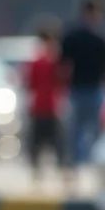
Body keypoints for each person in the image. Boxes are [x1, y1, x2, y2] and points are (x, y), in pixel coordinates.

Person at [59, 0, 105, 169]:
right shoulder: (100, 35)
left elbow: (62, 65)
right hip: (87, 89)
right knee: (88, 131)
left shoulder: (73, 34)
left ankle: (83, 165)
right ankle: (88, 166)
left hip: (84, 89)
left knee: (81, 131)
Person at [22, 20, 72, 190]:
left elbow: (29, 83)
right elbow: (63, 81)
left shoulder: (36, 59)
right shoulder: (55, 60)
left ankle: (38, 175)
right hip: (53, 106)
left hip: (38, 106)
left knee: (37, 143)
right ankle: (64, 174)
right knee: (57, 144)